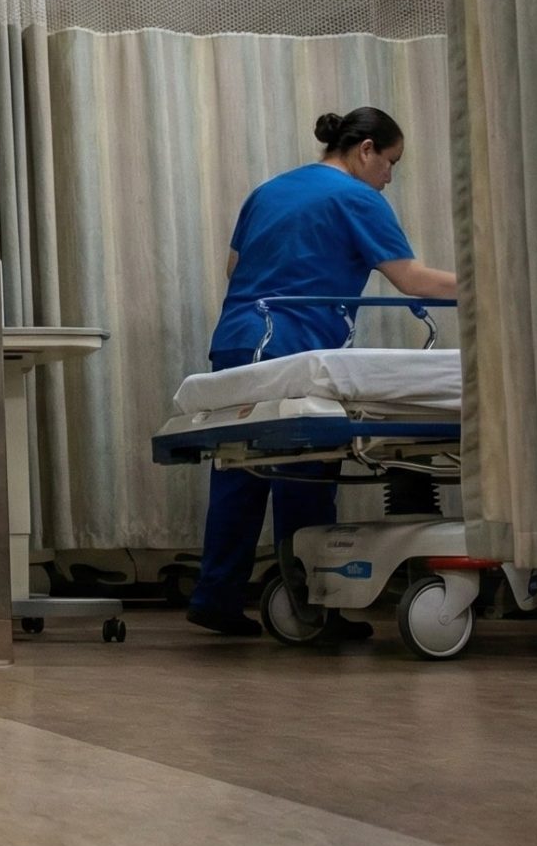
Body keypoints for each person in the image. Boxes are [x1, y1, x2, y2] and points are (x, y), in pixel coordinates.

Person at [187, 107, 457, 639]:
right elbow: (412, 280)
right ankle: (313, 608)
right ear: (366, 150)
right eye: (391, 162)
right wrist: (489, 281)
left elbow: (234, 270)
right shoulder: (358, 198)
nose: (390, 175)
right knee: (304, 476)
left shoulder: (268, 191)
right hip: (294, 347)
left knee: (240, 471)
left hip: (239, 340)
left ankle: (215, 598)